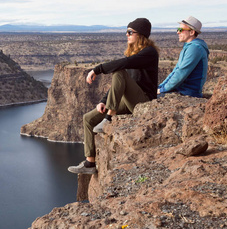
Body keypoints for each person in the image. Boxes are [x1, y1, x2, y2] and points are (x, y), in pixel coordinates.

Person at [68, 18, 159, 174]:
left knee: (119, 71)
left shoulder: (149, 53)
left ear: (141, 35)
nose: (127, 35)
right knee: (88, 119)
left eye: (130, 32)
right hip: (130, 100)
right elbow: (119, 85)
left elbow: (122, 67)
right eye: (126, 32)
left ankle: (109, 118)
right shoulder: (134, 55)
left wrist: (97, 69)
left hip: (144, 101)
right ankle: (90, 164)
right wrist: (103, 101)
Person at [158, 16, 209, 98]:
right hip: (181, 90)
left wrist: (162, 89)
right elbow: (176, 70)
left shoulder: (195, 48)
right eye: (178, 29)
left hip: (188, 93)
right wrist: (161, 87)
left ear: (192, 32)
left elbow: (181, 73)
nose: (178, 32)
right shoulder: (189, 47)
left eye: (181, 30)